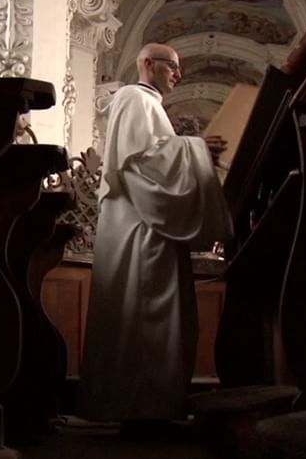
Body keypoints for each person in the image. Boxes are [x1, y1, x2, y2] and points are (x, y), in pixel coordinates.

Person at [76, 43, 232, 434]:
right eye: (172, 66)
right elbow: (146, 161)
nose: (178, 74)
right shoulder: (135, 98)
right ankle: (142, 411)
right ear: (148, 64)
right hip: (141, 230)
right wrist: (198, 149)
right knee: (148, 315)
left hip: (146, 228)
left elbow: (156, 156)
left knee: (153, 316)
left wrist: (192, 151)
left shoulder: (148, 104)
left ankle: (149, 408)